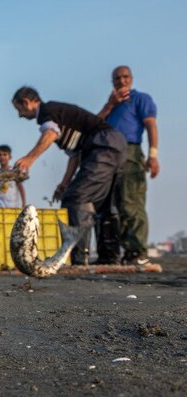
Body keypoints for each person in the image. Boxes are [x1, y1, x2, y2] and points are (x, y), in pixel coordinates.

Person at [11, 87, 127, 265]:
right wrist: (64, 183)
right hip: (112, 145)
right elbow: (75, 155)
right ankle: (109, 258)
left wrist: (29, 158)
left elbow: (50, 134)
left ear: (26, 102)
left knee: (75, 198)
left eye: (18, 110)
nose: (19, 116)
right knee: (103, 204)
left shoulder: (47, 112)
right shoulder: (58, 116)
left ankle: (80, 258)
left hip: (102, 145)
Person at [97, 66, 159, 265]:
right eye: (117, 78)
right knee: (114, 205)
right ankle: (125, 251)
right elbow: (94, 125)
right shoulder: (112, 105)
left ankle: (138, 251)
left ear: (131, 79)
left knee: (131, 202)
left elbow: (151, 125)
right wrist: (109, 105)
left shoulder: (141, 99)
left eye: (125, 77)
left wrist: (153, 155)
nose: (121, 81)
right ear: (112, 82)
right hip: (108, 155)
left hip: (130, 152)